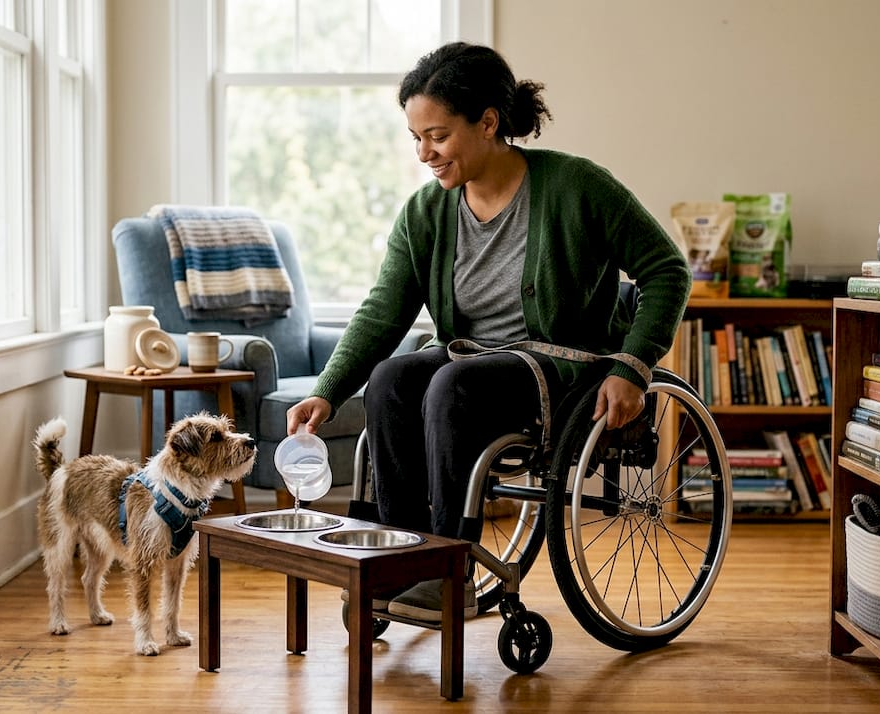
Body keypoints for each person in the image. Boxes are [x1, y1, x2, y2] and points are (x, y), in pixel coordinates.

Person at [285, 42, 691, 622]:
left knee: (453, 384)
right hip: (470, 361)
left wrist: (633, 365)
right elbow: (382, 313)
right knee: (391, 379)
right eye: (416, 138)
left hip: (562, 365)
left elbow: (666, 270)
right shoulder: (425, 213)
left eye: (438, 135)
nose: (425, 152)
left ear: (489, 123)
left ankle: (445, 568)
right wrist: (327, 390)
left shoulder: (577, 187)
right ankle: (404, 558)